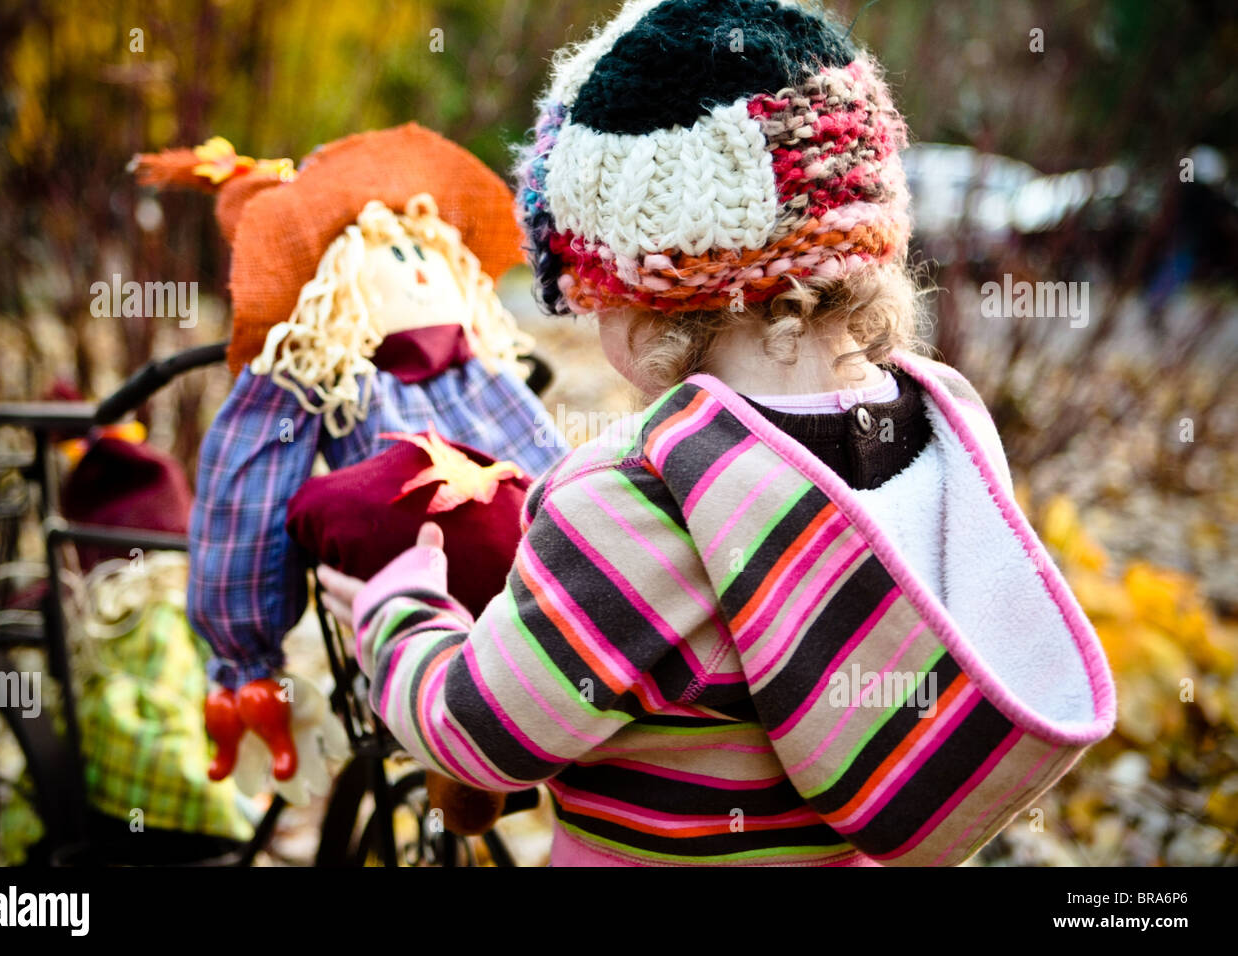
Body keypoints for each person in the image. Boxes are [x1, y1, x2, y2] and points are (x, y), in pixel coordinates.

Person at [318, 0, 1115, 866]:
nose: (589, 321)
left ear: (645, 295)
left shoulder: (643, 497)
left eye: (588, 296)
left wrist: (398, 612)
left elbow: (482, 735)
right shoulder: (941, 429)